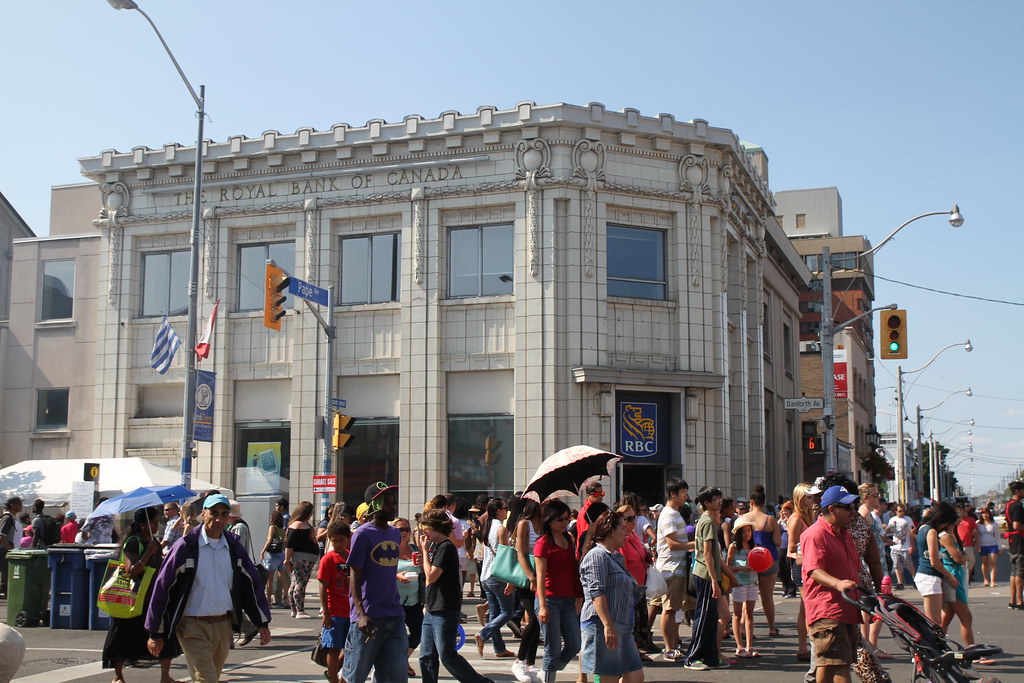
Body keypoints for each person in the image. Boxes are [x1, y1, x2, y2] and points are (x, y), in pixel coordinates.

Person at [145, 494, 271, 683]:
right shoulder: (185, 547)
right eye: (213, 513)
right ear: (203, 514)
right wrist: (155, 631)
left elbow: (251, 585)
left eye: (224, 513)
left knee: (210, 677)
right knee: (207, 679)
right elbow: (163, 588)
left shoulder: (233, 548)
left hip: (223, 626)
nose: (219, 519)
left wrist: (262, 622)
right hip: (191, 626)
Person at [102, 507, 182, 683]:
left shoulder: (154, 541)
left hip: (154, 597)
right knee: (123, 636)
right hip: (134, 598)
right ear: (142, 524)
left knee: (164, 635)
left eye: (157, 522)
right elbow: (131, 571)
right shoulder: (133, 542)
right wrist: (148, 553)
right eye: (153, 522)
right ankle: (118, 676)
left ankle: (165, 677)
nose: (156, 525)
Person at [417, 508, 496, 683]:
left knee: (447, 654)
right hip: (432, 607)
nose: (423, 532)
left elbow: (432, 575)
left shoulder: (445, 547)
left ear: (436, 527)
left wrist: (424, 552)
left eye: (426, 528)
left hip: (445, 607)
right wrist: (426, 604)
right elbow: (429, 579)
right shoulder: (433, 546)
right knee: (426, 656)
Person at [342, 482, 409, 683]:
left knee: (395, 676)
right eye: (387, 503)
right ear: (375, 505)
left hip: (395, 614)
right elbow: (354, 574)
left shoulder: (394, 533)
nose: (393, 507)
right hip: (369, 618)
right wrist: (360, 613)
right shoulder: (362, 534)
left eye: (393, 502)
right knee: (357, 675)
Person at [801, 485, 863, 683]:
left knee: (827, 665)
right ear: (831, 509)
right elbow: (813, 570)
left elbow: (855, 569)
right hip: (827, 609)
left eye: (852, 506)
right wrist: (837, 584)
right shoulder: (815, 534)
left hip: (846, 608)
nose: (851, 511)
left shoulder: (844, 533)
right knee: (839, 664)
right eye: (846, 507)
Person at [579, 510, 643, 683]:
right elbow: (596, 592)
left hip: (622, 625)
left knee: (635, 676)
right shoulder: (597, 556)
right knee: (609, 678)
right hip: (603, 625)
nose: (627, 531)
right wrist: (608, 625)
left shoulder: (615, 557)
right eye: (622, 528)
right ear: (611, 530)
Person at [682, 486, 732, 672]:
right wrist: (713, 580)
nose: (718, 500)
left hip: (709, 575)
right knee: (703, 617)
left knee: (711, 618)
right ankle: (692, 657)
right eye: (714, 498)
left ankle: (710, 656)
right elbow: (708, 555)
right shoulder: (707, 521)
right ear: (706, 503)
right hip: (705, 575)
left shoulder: (708, 520)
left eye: (719, 497)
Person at [534, 499, 583, 683]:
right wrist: (543, 606)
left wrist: (578, 596)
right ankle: (548, 675)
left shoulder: (569, 539)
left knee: (574, 644)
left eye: (566, 519)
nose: (564, 523)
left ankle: (548, 670)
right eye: (560, 519)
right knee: (552, 648)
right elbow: (540, 575)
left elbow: (573, 569)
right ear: (549, 520)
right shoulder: (543, 542)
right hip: (549, 600)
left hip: (568, 599)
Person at [654, 477, 690, 660]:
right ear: (672, 494)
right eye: (683, 493)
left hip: (678, 568)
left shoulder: (675, 513)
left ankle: (674, 643)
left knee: (675, 608)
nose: (686, 496)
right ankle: (668, 647)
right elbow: (672, 543)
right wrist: (695, 544)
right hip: (671, 568)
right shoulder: (668, 514)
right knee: (669, 608)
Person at [475, 497, 516, 659]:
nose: (507, 511)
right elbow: (503, 556)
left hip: (486, 575)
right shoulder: (501, 529)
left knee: (495, 612)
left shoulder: (488, 526)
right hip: (497, 576)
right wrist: (509, 579)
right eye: (505, 508)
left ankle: (499, 648)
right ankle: (483, 634)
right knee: (507, 612)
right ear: (499, 511)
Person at [510, 496, 544, 682]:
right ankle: (519, 660)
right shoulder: (525, 524)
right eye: (545, 503)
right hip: (527, 578)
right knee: (533, 617)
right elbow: (520, 553)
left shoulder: (546, 524)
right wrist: (531, 576)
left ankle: (530, 664)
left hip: (543, 577)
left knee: (539, 620)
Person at [741, 484, 782, 636]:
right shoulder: (770, 520)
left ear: (751, 502)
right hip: (768, 559)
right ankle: (772, 626)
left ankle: (744, 629)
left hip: (749, 559)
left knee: (747, 595)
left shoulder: (743, 519)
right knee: (767, 596)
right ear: (763, 503)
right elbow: (778, 542)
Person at [617, 504, 653, 661]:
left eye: (634, 517)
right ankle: (630, 654)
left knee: (639, 622)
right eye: (629, 518)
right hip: (630, 587)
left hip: (640, 585)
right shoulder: (622, 539)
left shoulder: (634, 535)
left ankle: (636, 651)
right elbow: (623, 563)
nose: (633, 521)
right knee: (631, 622)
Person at [318, 516, 352, 683]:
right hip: (334, 610)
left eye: (341, 540)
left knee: (351, 647)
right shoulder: (328, 559)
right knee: (333, 647)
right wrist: (326, 612)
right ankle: (332, 678)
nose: (338, 544)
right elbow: (323, 587)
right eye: (334, 541)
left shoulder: (351, 557)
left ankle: (340, 675)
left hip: (350, 610)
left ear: (348, 539)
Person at [915, 503, 960, 625]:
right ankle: (931, 643)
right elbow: (934, 561)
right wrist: (949, 575)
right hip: (929, 576)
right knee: (934, 622)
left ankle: (933, 642)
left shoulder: (922, 528)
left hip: (925, 575)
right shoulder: (931, 532)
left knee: (934, 620)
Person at [788, 482, 816, 662]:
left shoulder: (809, 516)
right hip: (800, 567)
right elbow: (790, 549)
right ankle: (808, 646)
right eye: (809, 496)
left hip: (810, 565)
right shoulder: (796, 519)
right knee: (809, 606)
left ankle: (804, 647)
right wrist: (801, 557)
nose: (813, 500)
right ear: (800, 498)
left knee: (805, 608)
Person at [394, 517, 424, 678]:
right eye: (400, 529)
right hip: (395, 601)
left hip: (413, 600)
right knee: (396, 636)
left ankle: (402, 659)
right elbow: (381, 572)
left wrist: (422, 563)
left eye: (406, 529)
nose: (404, 532)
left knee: (418, 633)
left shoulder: (414, 549)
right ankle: (401, 664)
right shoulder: (389, 550)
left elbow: (424, 572)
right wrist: (396, 576)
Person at [729, 517, 759, 659]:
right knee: (737, 615)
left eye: (749, 530)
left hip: (752, 582)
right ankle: (739, 646)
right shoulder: (734, 546)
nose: (747, 534)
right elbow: (728, 567)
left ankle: (749, 645)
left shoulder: (754, 547)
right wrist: (742, 568)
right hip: (739, 582)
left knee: (750, 615)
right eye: (744, 531)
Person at [284, 500, 318, 619]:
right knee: (300, 583)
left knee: (296, 583)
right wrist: (287, 559)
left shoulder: (303, 524)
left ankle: (295, 609)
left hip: (306, 558)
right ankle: (300, 610)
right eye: (311, 512)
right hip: (302, 558)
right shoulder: (298, 525)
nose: (312, 514)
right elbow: (290, 543)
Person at [260, 511, 288, 607]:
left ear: (273, 519)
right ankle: (288, 600)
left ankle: (268, 602)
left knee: (269, 579)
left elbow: (269, 540)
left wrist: (262, 551)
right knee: (283, 577)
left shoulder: (272, 527)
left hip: (273, 555)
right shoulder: (282, 529)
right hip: (282, 554)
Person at [885, 504, 916, 590]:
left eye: (903, 511)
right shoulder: (892, 519)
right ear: (895, 511)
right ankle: (900, 582)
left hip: (905, 545)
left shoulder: (907, 519)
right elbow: (888, 532)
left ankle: (915, 579)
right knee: (896, 565)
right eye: (899, 511)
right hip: (895, 545)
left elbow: (912, 532)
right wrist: (889, 528)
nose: (902, 513)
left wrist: (912, 545)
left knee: (909, 564)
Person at [1004, 481, 1024, 610]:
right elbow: (1017, 524)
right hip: (1019, 540)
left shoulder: (1008, 504)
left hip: (1012, 539)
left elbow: (1008, 524)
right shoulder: (1017, 506)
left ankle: (1012, 599)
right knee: (1020, 572)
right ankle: (1020, 601)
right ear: (1017, 491)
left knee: (1014, 571)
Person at [0, 497, 25, 597]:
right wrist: (10, 550)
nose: (21, 506)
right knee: (6, 574)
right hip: (4, 551)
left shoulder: (11, 518)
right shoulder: (7, 518)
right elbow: (2, 536)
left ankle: (6, 592)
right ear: (12, 505)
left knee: (7, 575)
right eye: (19, 504)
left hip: (6, 549)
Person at [956, 505, 979, 585]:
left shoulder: (971, 520)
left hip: (968, 545)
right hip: (957, 546)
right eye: (960, 511)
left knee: (971, 562)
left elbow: (975, 532)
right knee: (959, 563)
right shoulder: (955, 520)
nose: (962, 513)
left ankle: (967, 578)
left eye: (963, 511)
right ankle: (962, 580)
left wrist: (977, 543)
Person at [977, 507, 1000, 587]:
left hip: (993, 544)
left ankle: (993, 580)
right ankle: (986, 579)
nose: (985, 515)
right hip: (982, 545)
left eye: (986, 513)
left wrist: (999, 547)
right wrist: (978, 546)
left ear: (989, 514)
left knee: (993, 561)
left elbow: (997, 536)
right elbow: (977, 535)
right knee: (985, 562)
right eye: (983, 513)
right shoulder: (978, 523)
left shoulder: (994, 524)